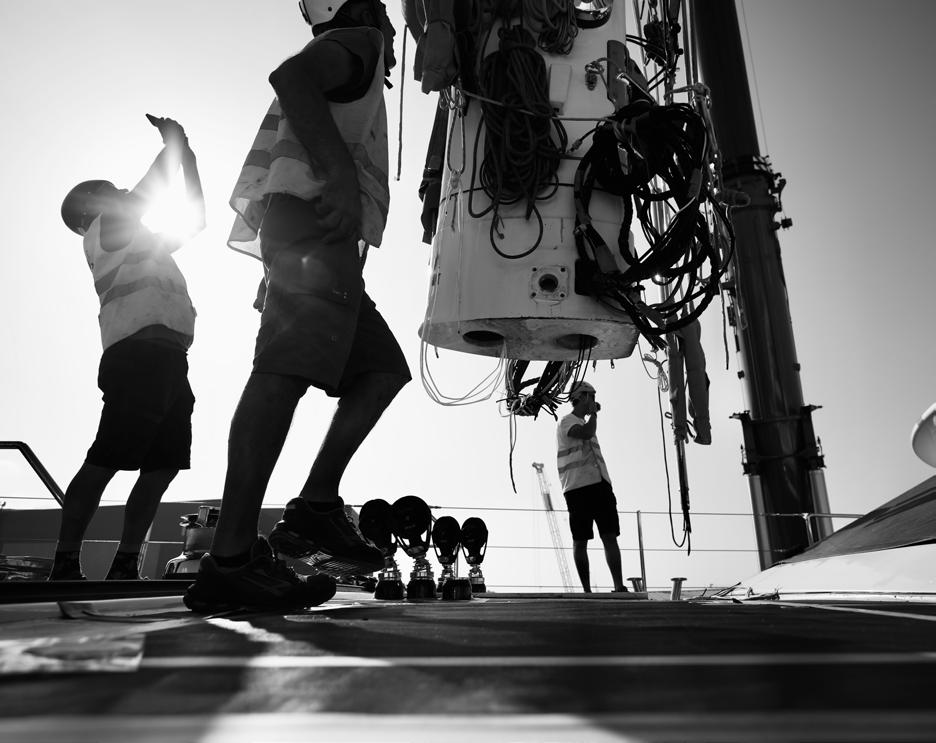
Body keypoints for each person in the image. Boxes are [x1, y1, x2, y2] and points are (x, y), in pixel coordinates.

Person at [184, 0, 410, 613]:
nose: (393, 23)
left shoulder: (355, 53)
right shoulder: (360, 39)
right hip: (311, 226)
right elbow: (291, 76)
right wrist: (338, 177)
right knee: (281, 374)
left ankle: (315, 503)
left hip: (314, 241)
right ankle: (231, 560)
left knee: (381, 368)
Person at [51, 115, 205, 581]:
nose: (122, 191)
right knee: (105, 459)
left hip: (168, 359)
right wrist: (173, 146)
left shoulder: (141, 240)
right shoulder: (108, 226)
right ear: (93, 207)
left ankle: (125, 562)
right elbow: (152, 188)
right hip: (138, 357)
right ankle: (65, 562)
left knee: (162, 466)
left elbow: (196, 220)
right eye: (112, 190)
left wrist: (188, 157)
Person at [556, 381, 627, 593]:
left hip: (599, 484)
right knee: (580, 540)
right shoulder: (567, 421)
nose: (594, 401)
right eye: (592, 396)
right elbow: (585, 433)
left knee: (609, 535)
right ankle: (587, 590)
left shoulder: (585, 423)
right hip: (578, 488)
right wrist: (594, 414)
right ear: (583, 397)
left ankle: (618, 586)